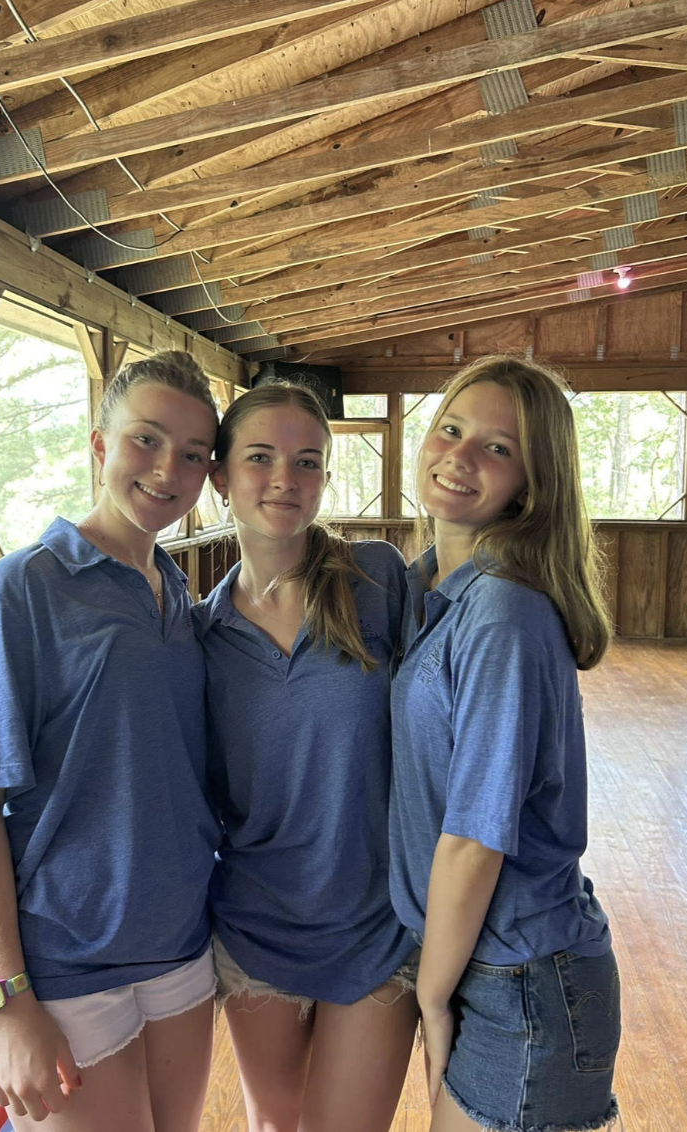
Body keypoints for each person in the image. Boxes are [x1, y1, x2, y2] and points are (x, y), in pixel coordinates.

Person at [0, 351, 222, 1132]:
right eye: (145, 440)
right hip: (58, 961)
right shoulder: (20, 592)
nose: (167, 470)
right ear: (99, 445)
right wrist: (4, 1001)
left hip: (178, 941)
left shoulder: (179, 593)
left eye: (193, 454)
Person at [389, 355, 621, 1132]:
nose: (460, 455)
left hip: (519, 978)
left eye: (497, 447)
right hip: (480, 959)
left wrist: (431, 997)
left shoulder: (503, 613)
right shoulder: (432, 590)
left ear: (531, 483)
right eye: (451, 429)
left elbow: (474, 840)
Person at [194, 382, 419, 1132]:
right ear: (220, 475)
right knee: (274, 1123)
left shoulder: (377, 578)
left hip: (375, 923)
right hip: (255, 925)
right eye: (260, 458)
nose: (284, 479)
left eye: (307, 461)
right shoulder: (201, 635)